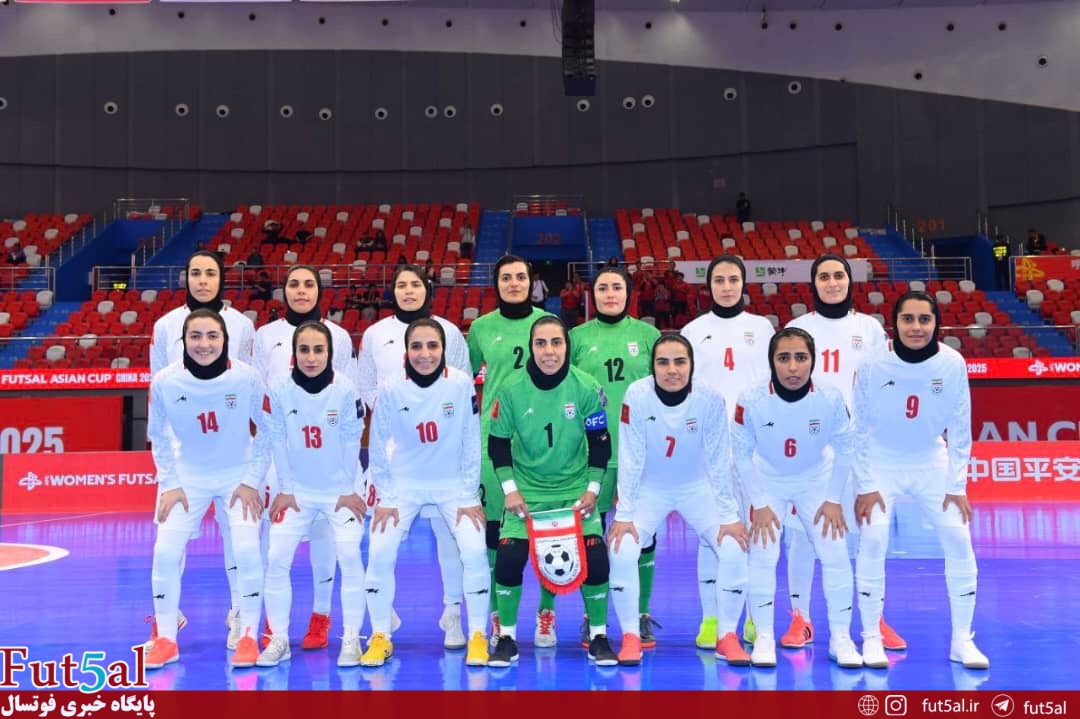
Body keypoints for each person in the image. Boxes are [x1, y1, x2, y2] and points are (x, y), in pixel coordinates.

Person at [852, 291, 988, 670]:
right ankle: (871, 638)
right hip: (881, 461)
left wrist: (956, 485)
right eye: (908, 319)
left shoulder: (952, 363)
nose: (916, 327)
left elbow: (960, 428)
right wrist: (864, 484)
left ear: (936, 323)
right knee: (873, 538)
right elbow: (857, 428)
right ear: (894, 323)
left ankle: (962, 641)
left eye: (924, 319)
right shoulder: (872, 363)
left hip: (931, 460)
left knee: (959, 539)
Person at [785, 254, 905, 652]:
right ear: (814, 283)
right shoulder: (798, 328)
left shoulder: (868, 328)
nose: (832, 282)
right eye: (824, 276)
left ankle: (874, 619)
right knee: (803, 536)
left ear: (849, 281)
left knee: (871, 533)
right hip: (811, 448)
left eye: (839, 275)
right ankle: (800, 618)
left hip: (861, 448)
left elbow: (886, 383)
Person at [608, 335, 750, 666]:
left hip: (697, 488)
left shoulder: (709, 399)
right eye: (663, 362)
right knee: (621, 549)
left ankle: (727, 636)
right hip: (651, 490)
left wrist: (729, 514)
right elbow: (630, 455)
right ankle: (630, 636)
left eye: (680, 362)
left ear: (691, 366)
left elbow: (718, 457)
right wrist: (624, 513)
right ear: (652, 367)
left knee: (733, 547)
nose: (672, 370)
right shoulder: (637, 395)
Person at [486, 316, 617, 667]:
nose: (549, 351)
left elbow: (600, 443)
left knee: (597, 557)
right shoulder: (511, 389)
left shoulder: (586, 387)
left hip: (573, 492)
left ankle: (599, 635)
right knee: (508, 557)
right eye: (540, 343)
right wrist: (510, 490)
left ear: (567, 346)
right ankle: (507, 638)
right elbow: (498, 444)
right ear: (531, 347)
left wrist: (592, 490)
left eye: (556, 343)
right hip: (527, 494)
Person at [144, 309, 268, 671]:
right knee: (165, 552)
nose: (204, 344)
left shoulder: (247, 377)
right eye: (195, 336)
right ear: (183, 340)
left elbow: (268, 431)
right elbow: (158, 437)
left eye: (212, 336)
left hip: (237, 476)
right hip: (187, 479)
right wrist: (170, 483)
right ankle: (166, 639)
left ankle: (248, 635)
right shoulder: (165, 381)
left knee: (247, 550)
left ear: (225, 339)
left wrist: (251, 480)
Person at [733, 327, 862, 668]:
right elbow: (741, 456)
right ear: (771, 361)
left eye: (801, 358)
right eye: (784, 358)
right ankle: (763, 637)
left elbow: (847, 450)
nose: (793, 367)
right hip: (767, 480)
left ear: (813, 361)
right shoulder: (750, 399)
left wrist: (833, 499)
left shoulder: (830, 397)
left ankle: (841, 638)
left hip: (816, 481)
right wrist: (760, 503)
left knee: (835, 554)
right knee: (763, 555)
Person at [357, 265, 472, 649]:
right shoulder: (374, 334)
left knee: (450, 539)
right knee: (381, 539)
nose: (408, 291)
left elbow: (462, 386)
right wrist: (397, 417)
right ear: (392, 291)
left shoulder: (449, 332)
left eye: (415, 284)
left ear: (427, 289)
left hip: (442, 452)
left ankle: (452, 614)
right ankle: (382, 616)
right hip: (395, 453)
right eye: (401, 285)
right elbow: (366, 385)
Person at [363, 318, 490, 667]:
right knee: (379, 551)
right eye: (416, 346)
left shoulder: (461, 384)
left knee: (474, 550)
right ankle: (380, 635)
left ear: (443, 349)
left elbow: (471, 441)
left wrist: (469, 494)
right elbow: (378, 443)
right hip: (404, 485)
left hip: (452, 486)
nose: (425, 354)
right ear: (406, 351)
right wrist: (386, 496)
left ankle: (478, 635)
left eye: (432, 346)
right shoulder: (391, 388)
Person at [252, 264, 359, 652]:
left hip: (329, 461)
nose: (301, 290)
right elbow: (260, 393)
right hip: (282, 458)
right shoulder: (265, 336)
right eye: (294, 284)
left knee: (324, 542)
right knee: (274, 545)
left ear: (319, 290)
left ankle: (321, 615)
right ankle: (273, 624)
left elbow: (346, 394)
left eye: (308, 284)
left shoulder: (340, 337)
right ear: (284, 291)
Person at [680, 255, 774, 649]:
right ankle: (712, 619)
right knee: (713, 535)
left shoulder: (762, 327)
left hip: (754, 447)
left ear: (743, 283)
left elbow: (774, 385)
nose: (727, 286)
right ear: (709, 286)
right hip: (710, 447)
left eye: (733, 279)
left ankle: (753, 618)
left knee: (757, 534)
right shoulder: (693, 330)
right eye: (719, 280)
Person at [569, 267, 660, 648]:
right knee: (591, 535)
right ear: (592, 295)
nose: (610, 294)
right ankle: (593, 617)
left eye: (617, 287)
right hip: (590, 454)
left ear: (628, 292)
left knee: (642, 533)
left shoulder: (649, 336)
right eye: (603, 288)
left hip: (639, 451)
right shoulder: (576, 338)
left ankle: (639, 614)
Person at [466, 255, 551, 641]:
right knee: (495, 533)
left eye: (520, 277)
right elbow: (463, 380)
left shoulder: (547, 324)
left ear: (531, 283)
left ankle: (546, 614)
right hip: (494, 440)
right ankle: (499, 615)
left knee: (548, 531)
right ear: (496, 284)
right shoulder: (481, 328)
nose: (514, 283)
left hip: (541, 440)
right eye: (506, 278)